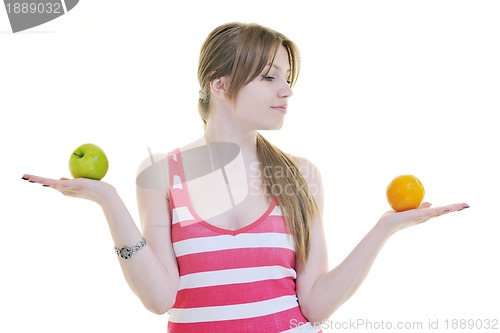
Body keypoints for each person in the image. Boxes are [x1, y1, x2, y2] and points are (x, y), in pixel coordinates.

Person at [22, 22, 469, 332]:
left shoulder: (301, 174)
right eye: (271, 77)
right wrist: (110, 202)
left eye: (288, 78)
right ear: (220, 84)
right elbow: (160, 299)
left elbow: (314, 305)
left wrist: (383, 229)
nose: (287, 90)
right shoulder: (160, 174)